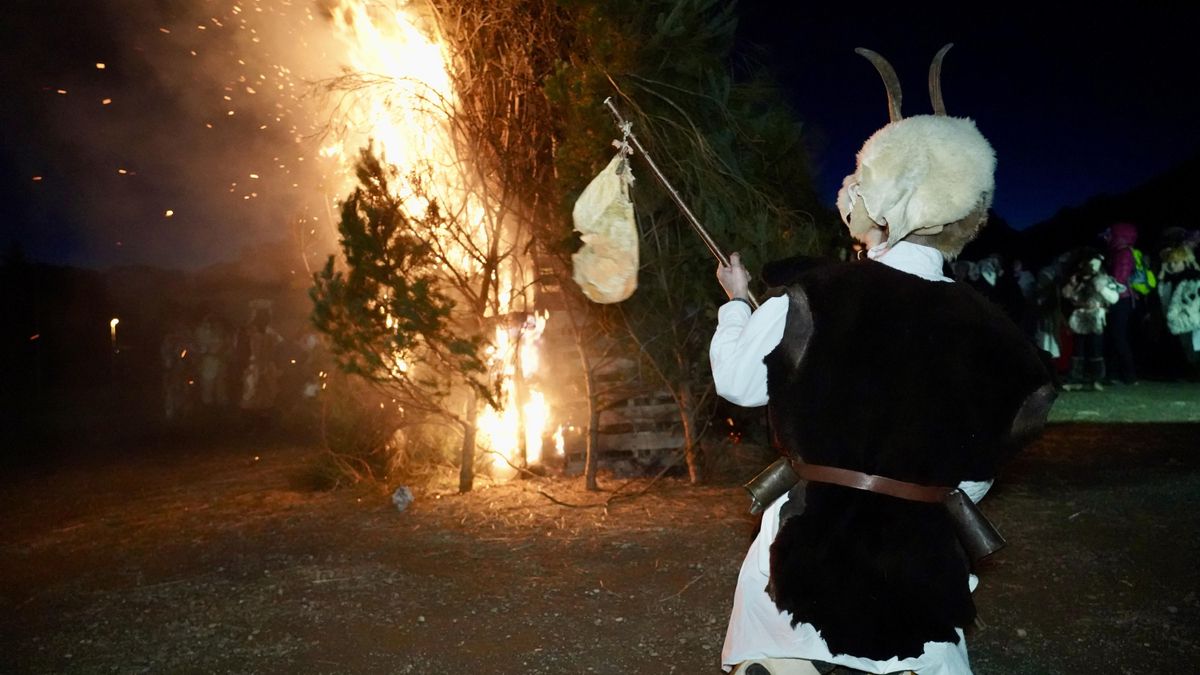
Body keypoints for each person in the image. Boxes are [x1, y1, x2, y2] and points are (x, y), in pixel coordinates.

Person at [710, 46, 1054, 675]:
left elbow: (737, 383)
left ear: (885, 205)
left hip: (795, 576)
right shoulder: (1000, 336)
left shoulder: (812, 295)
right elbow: (977, 473)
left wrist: (737, 306)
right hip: (922, 581)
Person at [1060, 250, 1122, 391]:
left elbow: (1114, 298)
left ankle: (1096, 379)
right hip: (1080, 317)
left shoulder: (1103, 279)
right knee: (1078, 349)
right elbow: (1066, 295)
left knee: (1095, 348)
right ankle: (1075, 379)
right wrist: (1071, 285)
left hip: (1096, 317)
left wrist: (1101, 289)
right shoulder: (1077, 278)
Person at [1101, 223, 1141, 384]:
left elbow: (1119, 280)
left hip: (1121, 300)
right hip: (1120, 299)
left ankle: (1129, 376)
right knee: (1115, 336)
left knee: (1118, 337)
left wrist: (1103, 287)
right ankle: (1113, 375)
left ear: (1119, 236)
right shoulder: (1118, 252)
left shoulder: (1123, 253)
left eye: (1109, 235)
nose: (1106, 238)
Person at [1156, 243, 1200, 379]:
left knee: (1190, 347)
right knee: (1184, 347)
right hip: (1176, 319)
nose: (1172, 266)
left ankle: (1192, 373)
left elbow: (1191, 301)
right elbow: (1162, 297)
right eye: (1170, 263)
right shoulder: (1172, 279)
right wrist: (1162, 273)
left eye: (1175, 262)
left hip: (1188, 319)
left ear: (1185, 262)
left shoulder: (1191, 278)